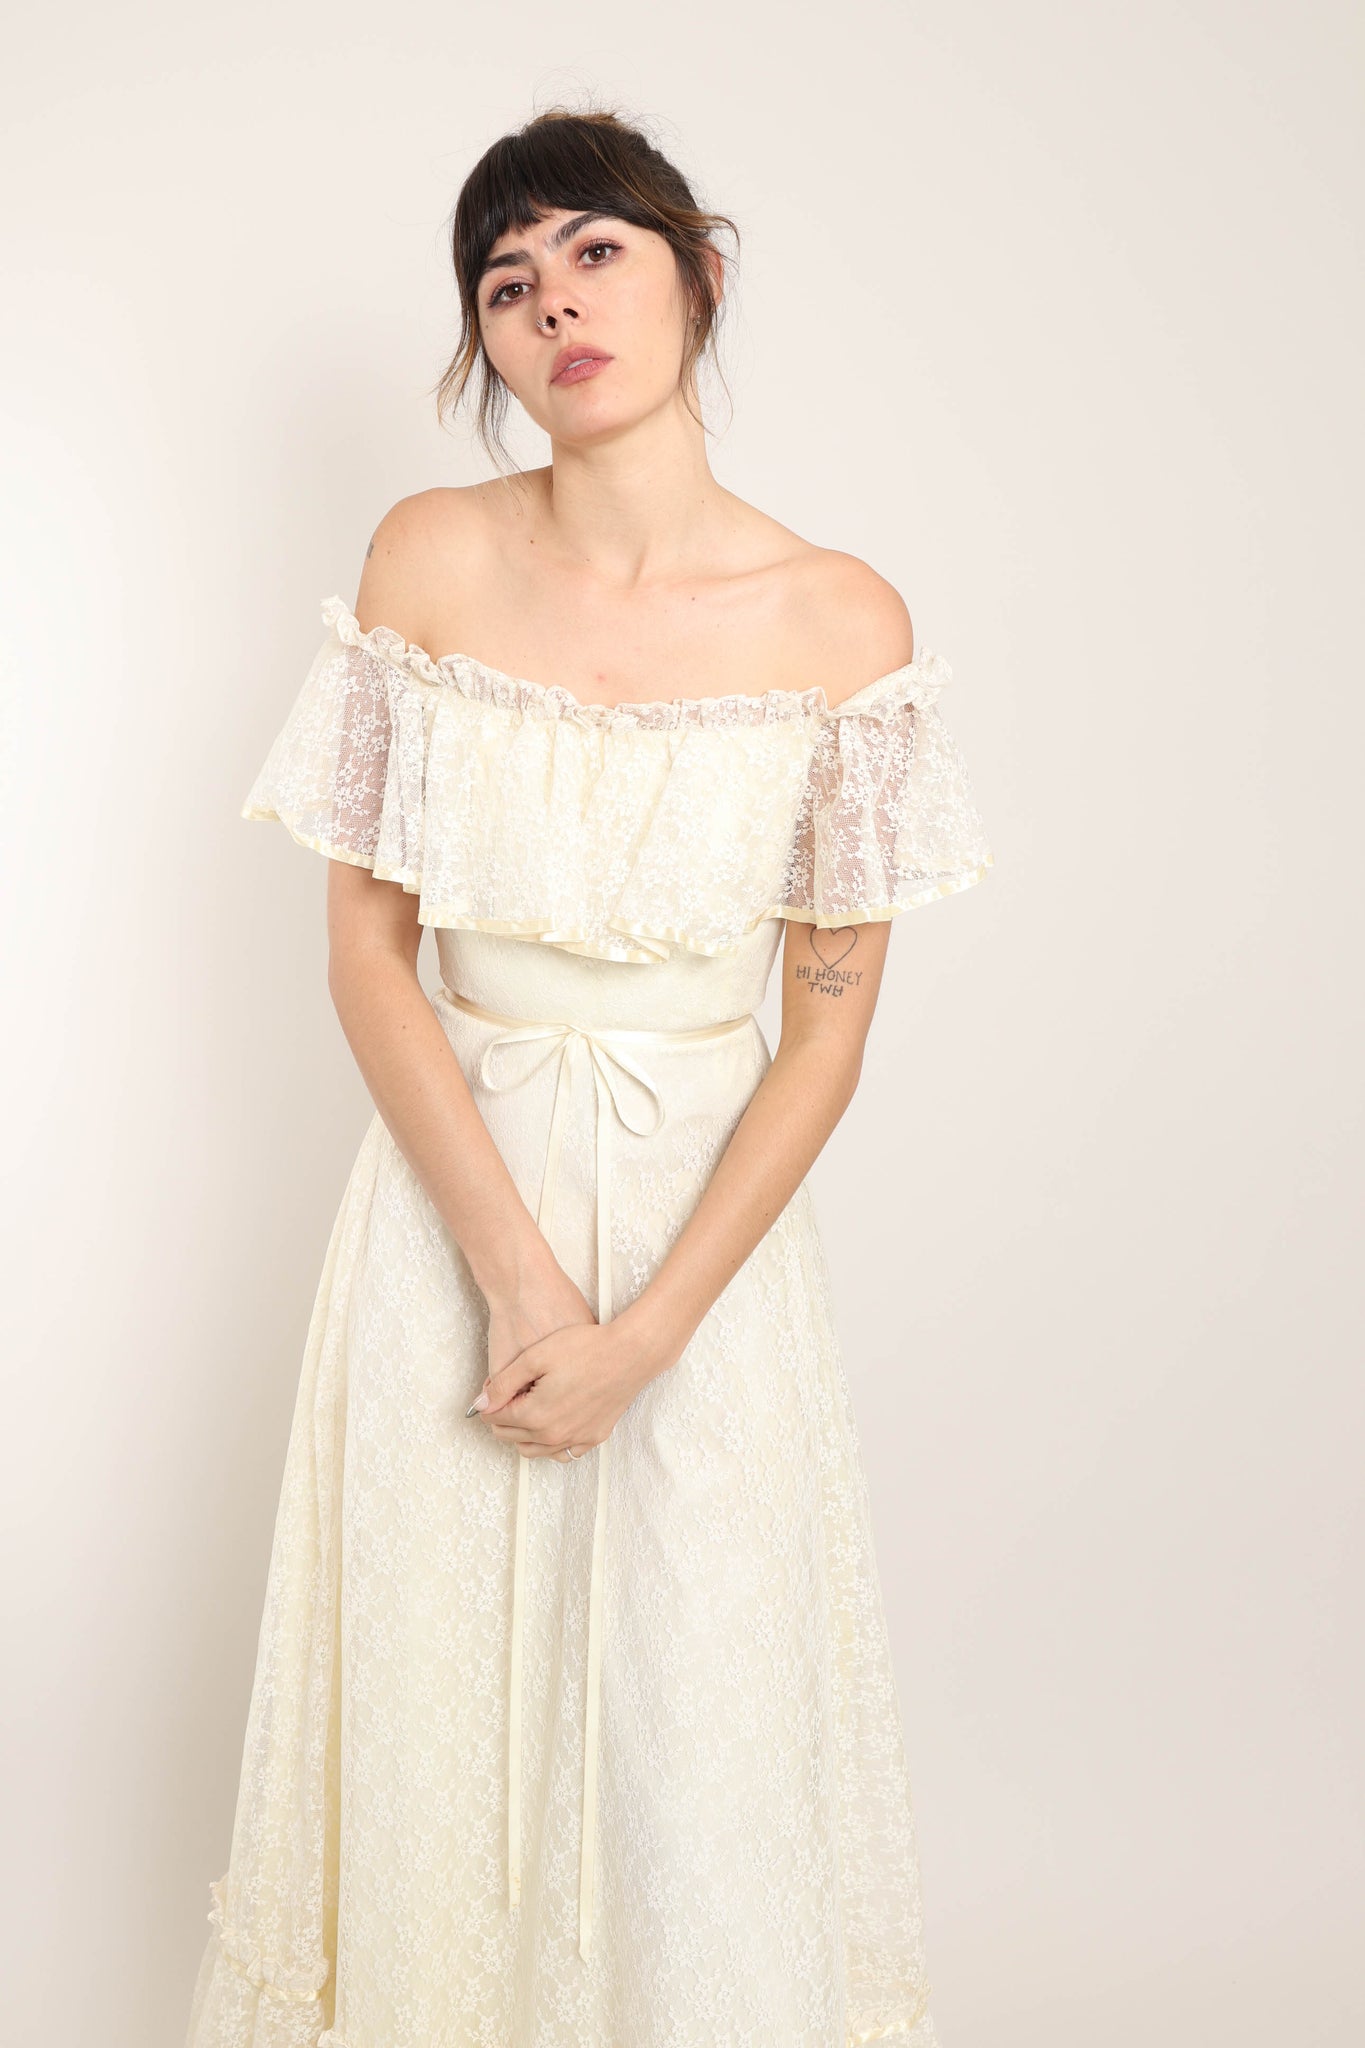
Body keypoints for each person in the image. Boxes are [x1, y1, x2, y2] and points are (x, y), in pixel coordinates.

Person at [185, 105, 992, 2048]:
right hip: (450, 1211)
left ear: (697, 271)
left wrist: (644, 1331)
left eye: (593, 252)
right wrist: (522, 1280)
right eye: (505, 282)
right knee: (435, 1704)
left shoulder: (839, 621)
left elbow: (825, 1029)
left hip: (705, 1248)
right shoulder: (427, 561)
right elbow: (366, 954)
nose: (553, 304)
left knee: (695, 1726)